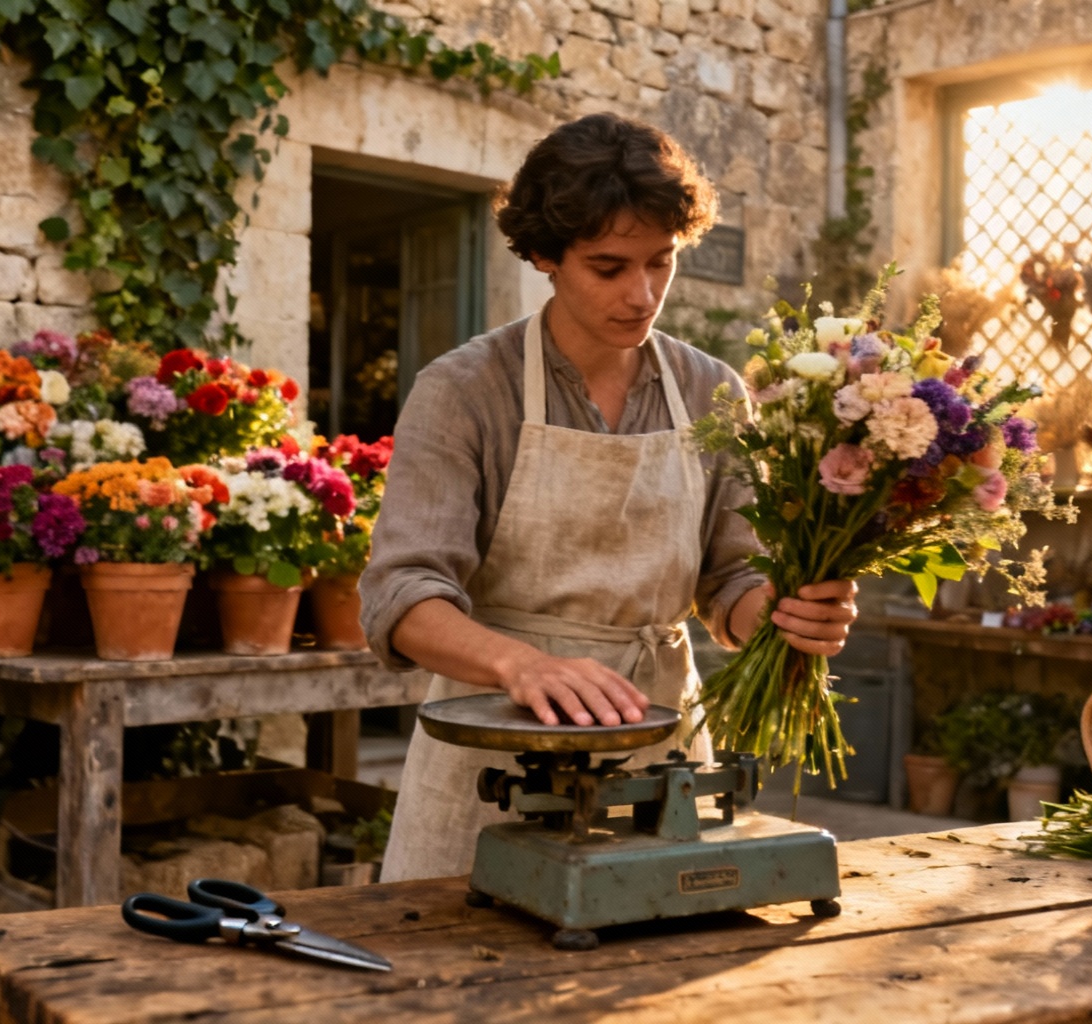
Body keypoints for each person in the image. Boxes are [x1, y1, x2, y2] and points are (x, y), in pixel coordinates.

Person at [360, 113, 860, 882]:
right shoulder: (463, 391)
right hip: (492, 749)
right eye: (609, 267)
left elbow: (730, 583)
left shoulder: (710, 390)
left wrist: (787, 619)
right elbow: (401, 594)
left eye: (661, 262)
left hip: (659, 746)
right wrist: (521, 665)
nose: (643, 293)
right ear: (543, 257)